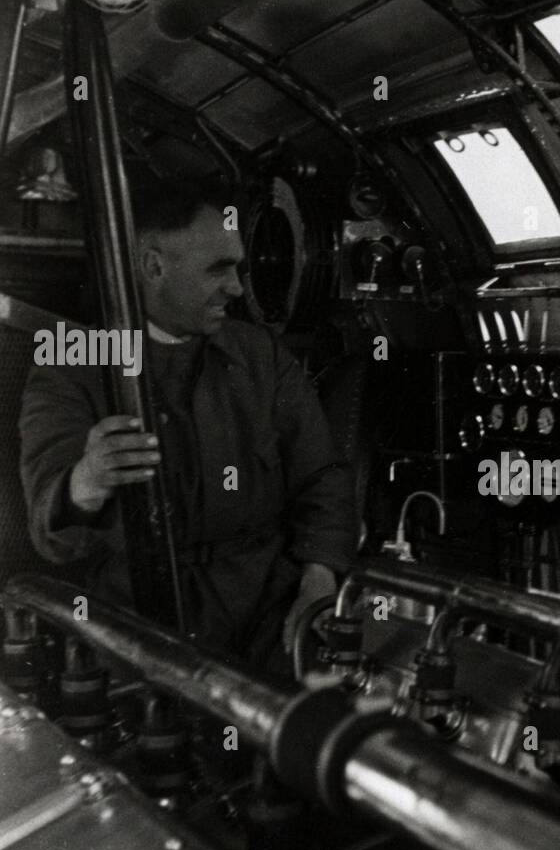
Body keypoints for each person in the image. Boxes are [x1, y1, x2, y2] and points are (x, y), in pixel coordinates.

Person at [19, 180, 357, 674]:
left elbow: (323, 477)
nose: (238, 288)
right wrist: (85, 482)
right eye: (218, 269)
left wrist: (320, 579)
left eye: (238, 268)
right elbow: (52, 534)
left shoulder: (259, 356)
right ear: (154, 266)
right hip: (141, 623)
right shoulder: (74, 364)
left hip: (270, 619)